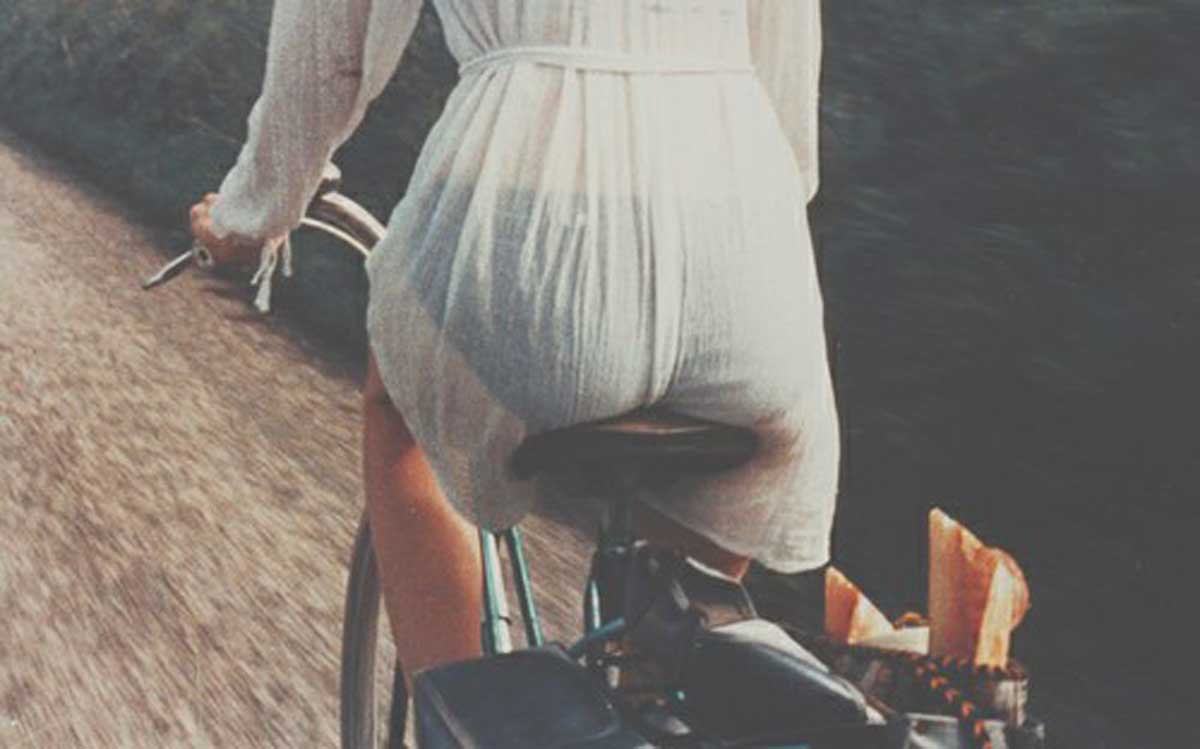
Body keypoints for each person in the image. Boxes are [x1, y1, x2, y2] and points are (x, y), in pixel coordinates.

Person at [190, 0, 834, 678]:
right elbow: (788, 88)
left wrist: (251, 215)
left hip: (531, 208)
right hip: (750, 241)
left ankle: (460, 702)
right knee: (663, 653)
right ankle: (652, 695)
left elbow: (328, 50)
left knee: (404, 409)